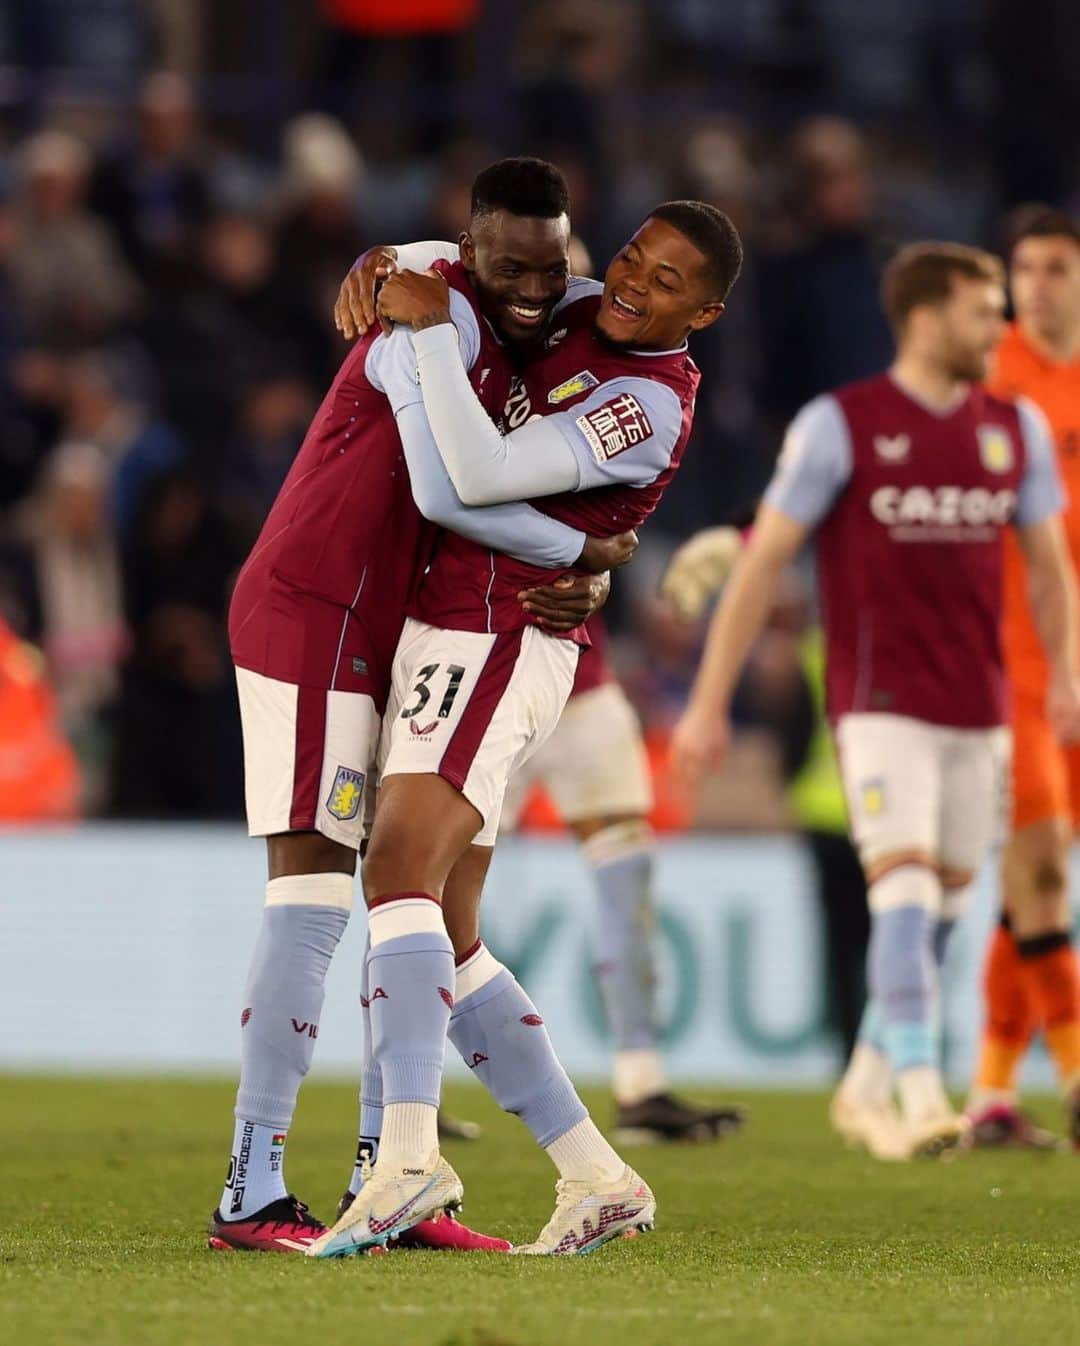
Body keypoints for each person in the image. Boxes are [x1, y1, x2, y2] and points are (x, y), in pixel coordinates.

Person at [209, 158, 628, 1256]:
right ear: (469, 248)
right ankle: (252, 1187)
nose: (534, 285)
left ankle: (386, 1181)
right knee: (314, 892)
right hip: (313, 606)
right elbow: (451, 487)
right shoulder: (423, 305)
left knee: (416, 900)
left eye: (552, 263)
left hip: (392, 621)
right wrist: (587, 550)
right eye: (510, 263)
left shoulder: (525, 314)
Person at [310, 196, 742, 1258]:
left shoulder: (648, 399)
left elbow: (482, 477)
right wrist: (385, 260)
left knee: (398, 866)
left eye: (671, 279)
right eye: (639, 253)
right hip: (452, 620)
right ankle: (597, 1173)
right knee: (447, 928)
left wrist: (418, 330)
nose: (639, 281)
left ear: (711, 310)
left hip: (504, 632)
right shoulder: (582, 305)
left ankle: (405, 1159)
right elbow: (473, 262)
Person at [670, 241, 1080, 1162]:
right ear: (929, 315)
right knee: (900, 893)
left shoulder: (1010, 429)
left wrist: (1065, 675)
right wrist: (706, 702)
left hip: (981, 709)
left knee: (941, 906)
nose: (998, 327)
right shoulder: (844, 423)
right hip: (879, 701)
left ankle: (862, 1085)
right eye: (984, 310)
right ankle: (925, 1091)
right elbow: (766, 563)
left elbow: (1051, 571)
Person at [966, 208, 1080, 1148]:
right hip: (1014, 666)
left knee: (1027, 893)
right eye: (1026, 270)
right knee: (1037, 866)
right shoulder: (989, 373)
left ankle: (992, 1096)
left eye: (1056, 268)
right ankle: (1070, 1079)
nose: (1038, 286)